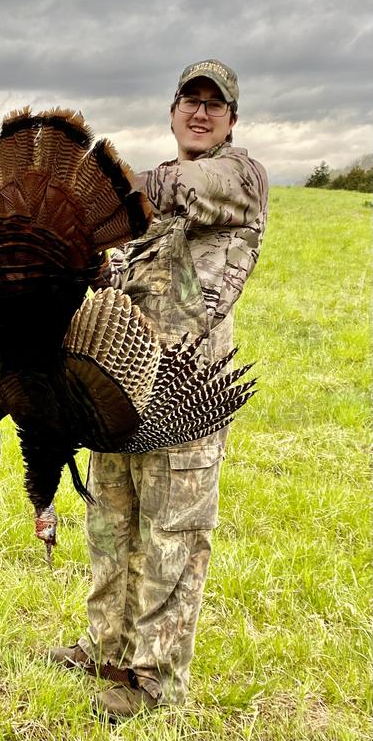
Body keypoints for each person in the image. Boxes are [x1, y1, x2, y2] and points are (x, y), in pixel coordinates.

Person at [49, 59, 268, 719]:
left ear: (231, 121)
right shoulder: (148, 212)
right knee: (113, 526)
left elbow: (179, 187)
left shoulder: (237, 177)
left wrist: (92, 191)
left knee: (173, 536)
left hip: (187, 398)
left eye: (214, 105)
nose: (200, 113)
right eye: (189, 102)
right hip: (123, 392)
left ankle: (155, 681)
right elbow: (114, 282)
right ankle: (107, 646)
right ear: (172, 112)